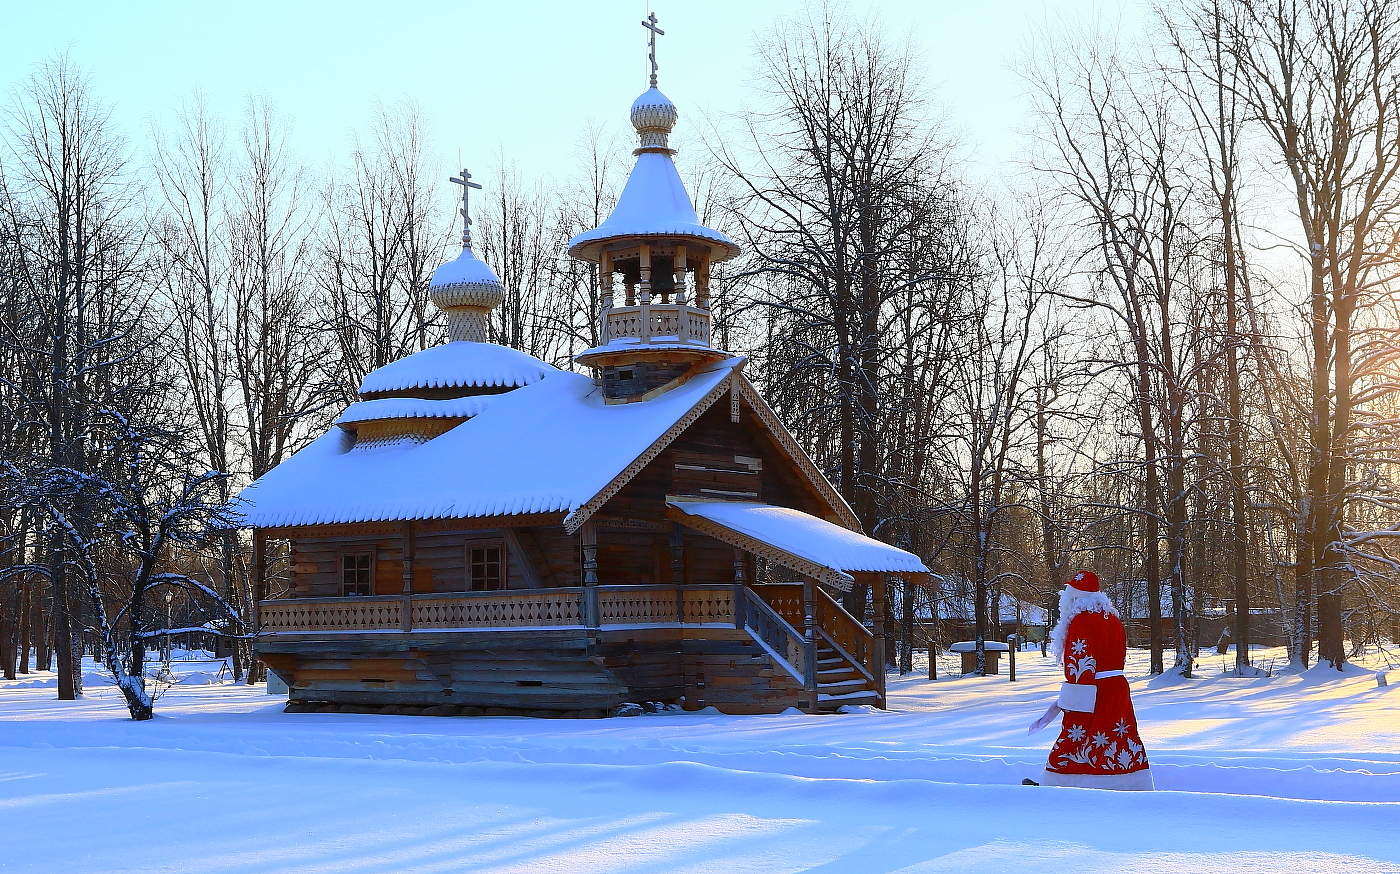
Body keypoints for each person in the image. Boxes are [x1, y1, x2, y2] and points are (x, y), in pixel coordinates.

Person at [1024, 570, 1154, 790]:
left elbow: (1079, 661)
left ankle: (1058, 783)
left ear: (1074, 596)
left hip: (1091, 690)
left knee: (1076, 736)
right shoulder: (1112, 617)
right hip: (1117, 689)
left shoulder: (1080, 620)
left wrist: (1073, 695)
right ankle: (1128, 783)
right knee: (1118, 735)